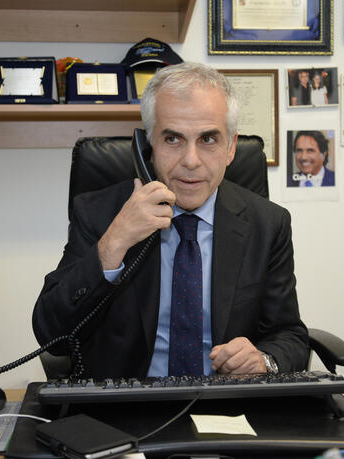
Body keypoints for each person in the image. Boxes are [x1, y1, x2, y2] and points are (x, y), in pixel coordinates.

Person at [33, 62, 310, 380]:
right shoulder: (100, 214)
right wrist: (114, 243)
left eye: (208, 139)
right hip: (127, 402)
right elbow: (53, 337)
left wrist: (264, 360)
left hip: (227, 401)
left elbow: (290, 336)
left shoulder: (267, 224)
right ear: (148, 146)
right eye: (173, 139)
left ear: (231, 148)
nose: (191, 161)